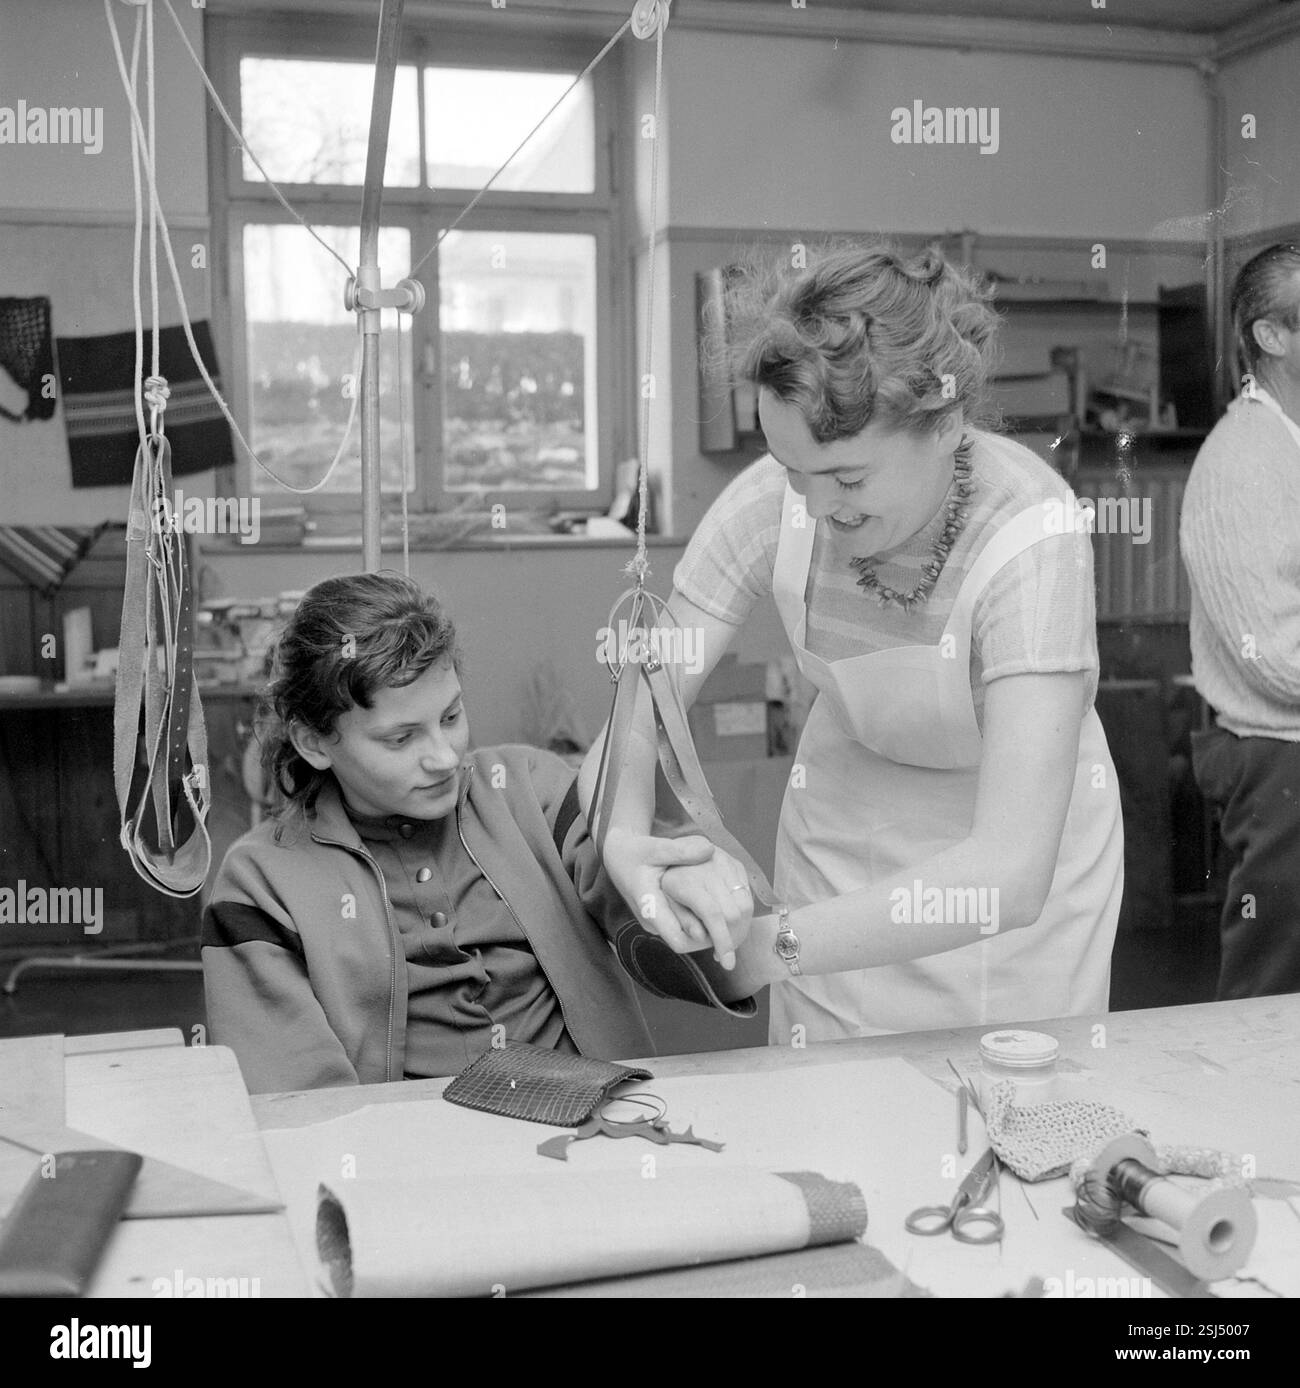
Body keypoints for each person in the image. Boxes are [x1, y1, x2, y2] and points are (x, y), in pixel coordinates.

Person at [583, 242, 1125, 1041]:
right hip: (843, 833)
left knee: (1005, 1122)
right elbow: (646, 707)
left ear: (943, 423)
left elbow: (1009, 873)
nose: (812, 504)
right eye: (791, 469)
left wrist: (774, 947)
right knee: (829, 1125)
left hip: (1013, 875)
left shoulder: (1031, 536)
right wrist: (625, 834)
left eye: (847, 479)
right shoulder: (782, 494)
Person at [202, 572, 749, 1094]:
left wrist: (681, 887)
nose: (443, 757)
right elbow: (300, 1105)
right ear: (314, 743)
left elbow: (639, 897)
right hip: (400, 1163)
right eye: (400, 739)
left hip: (588, 1120)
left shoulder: (530, 791)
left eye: (451, 716)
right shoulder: (260, 885)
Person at [1181, 242, 1300, 1000]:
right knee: (1272, 995)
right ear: (1273, 335)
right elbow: (1276, 656)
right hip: (1278, 765)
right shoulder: (1241, 461)